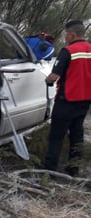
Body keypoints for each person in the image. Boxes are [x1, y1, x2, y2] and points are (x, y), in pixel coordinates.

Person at [44, 20, 91, 176]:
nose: (65, 38)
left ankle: (49, 172)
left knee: (56, 137)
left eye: (66, 35)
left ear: (72, 34)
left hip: (67, 101)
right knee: (77, 135)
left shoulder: (68, 51)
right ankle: (73, 169)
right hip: (84, 101)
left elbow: (54, 76)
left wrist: (47, 80)